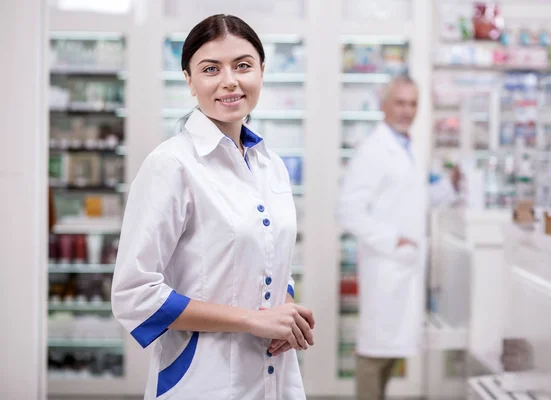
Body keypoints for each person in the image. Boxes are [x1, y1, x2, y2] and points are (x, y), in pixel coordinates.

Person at [111, 14, 314, 400]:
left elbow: (270, 255)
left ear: (261, 71)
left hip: (275, 375)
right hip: (205, 380)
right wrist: (252, 321)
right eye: (210, 69)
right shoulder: (171, 165)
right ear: (189, 80)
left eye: (242, 65)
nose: (229, 81)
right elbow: (134, 292)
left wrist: (285, 312)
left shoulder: (270, 163)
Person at [338, 76, 459, 400]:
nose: (407, 111)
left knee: (391, 353)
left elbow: (411, 198)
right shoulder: (373, 150)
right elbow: (349, 211)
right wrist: (394, 241)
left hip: (404, 268)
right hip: (386, 265)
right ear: (384, 105)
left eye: (413, 104)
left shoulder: (409, 147)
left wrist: (449, 187)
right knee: (375, 353)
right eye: (400, 103)